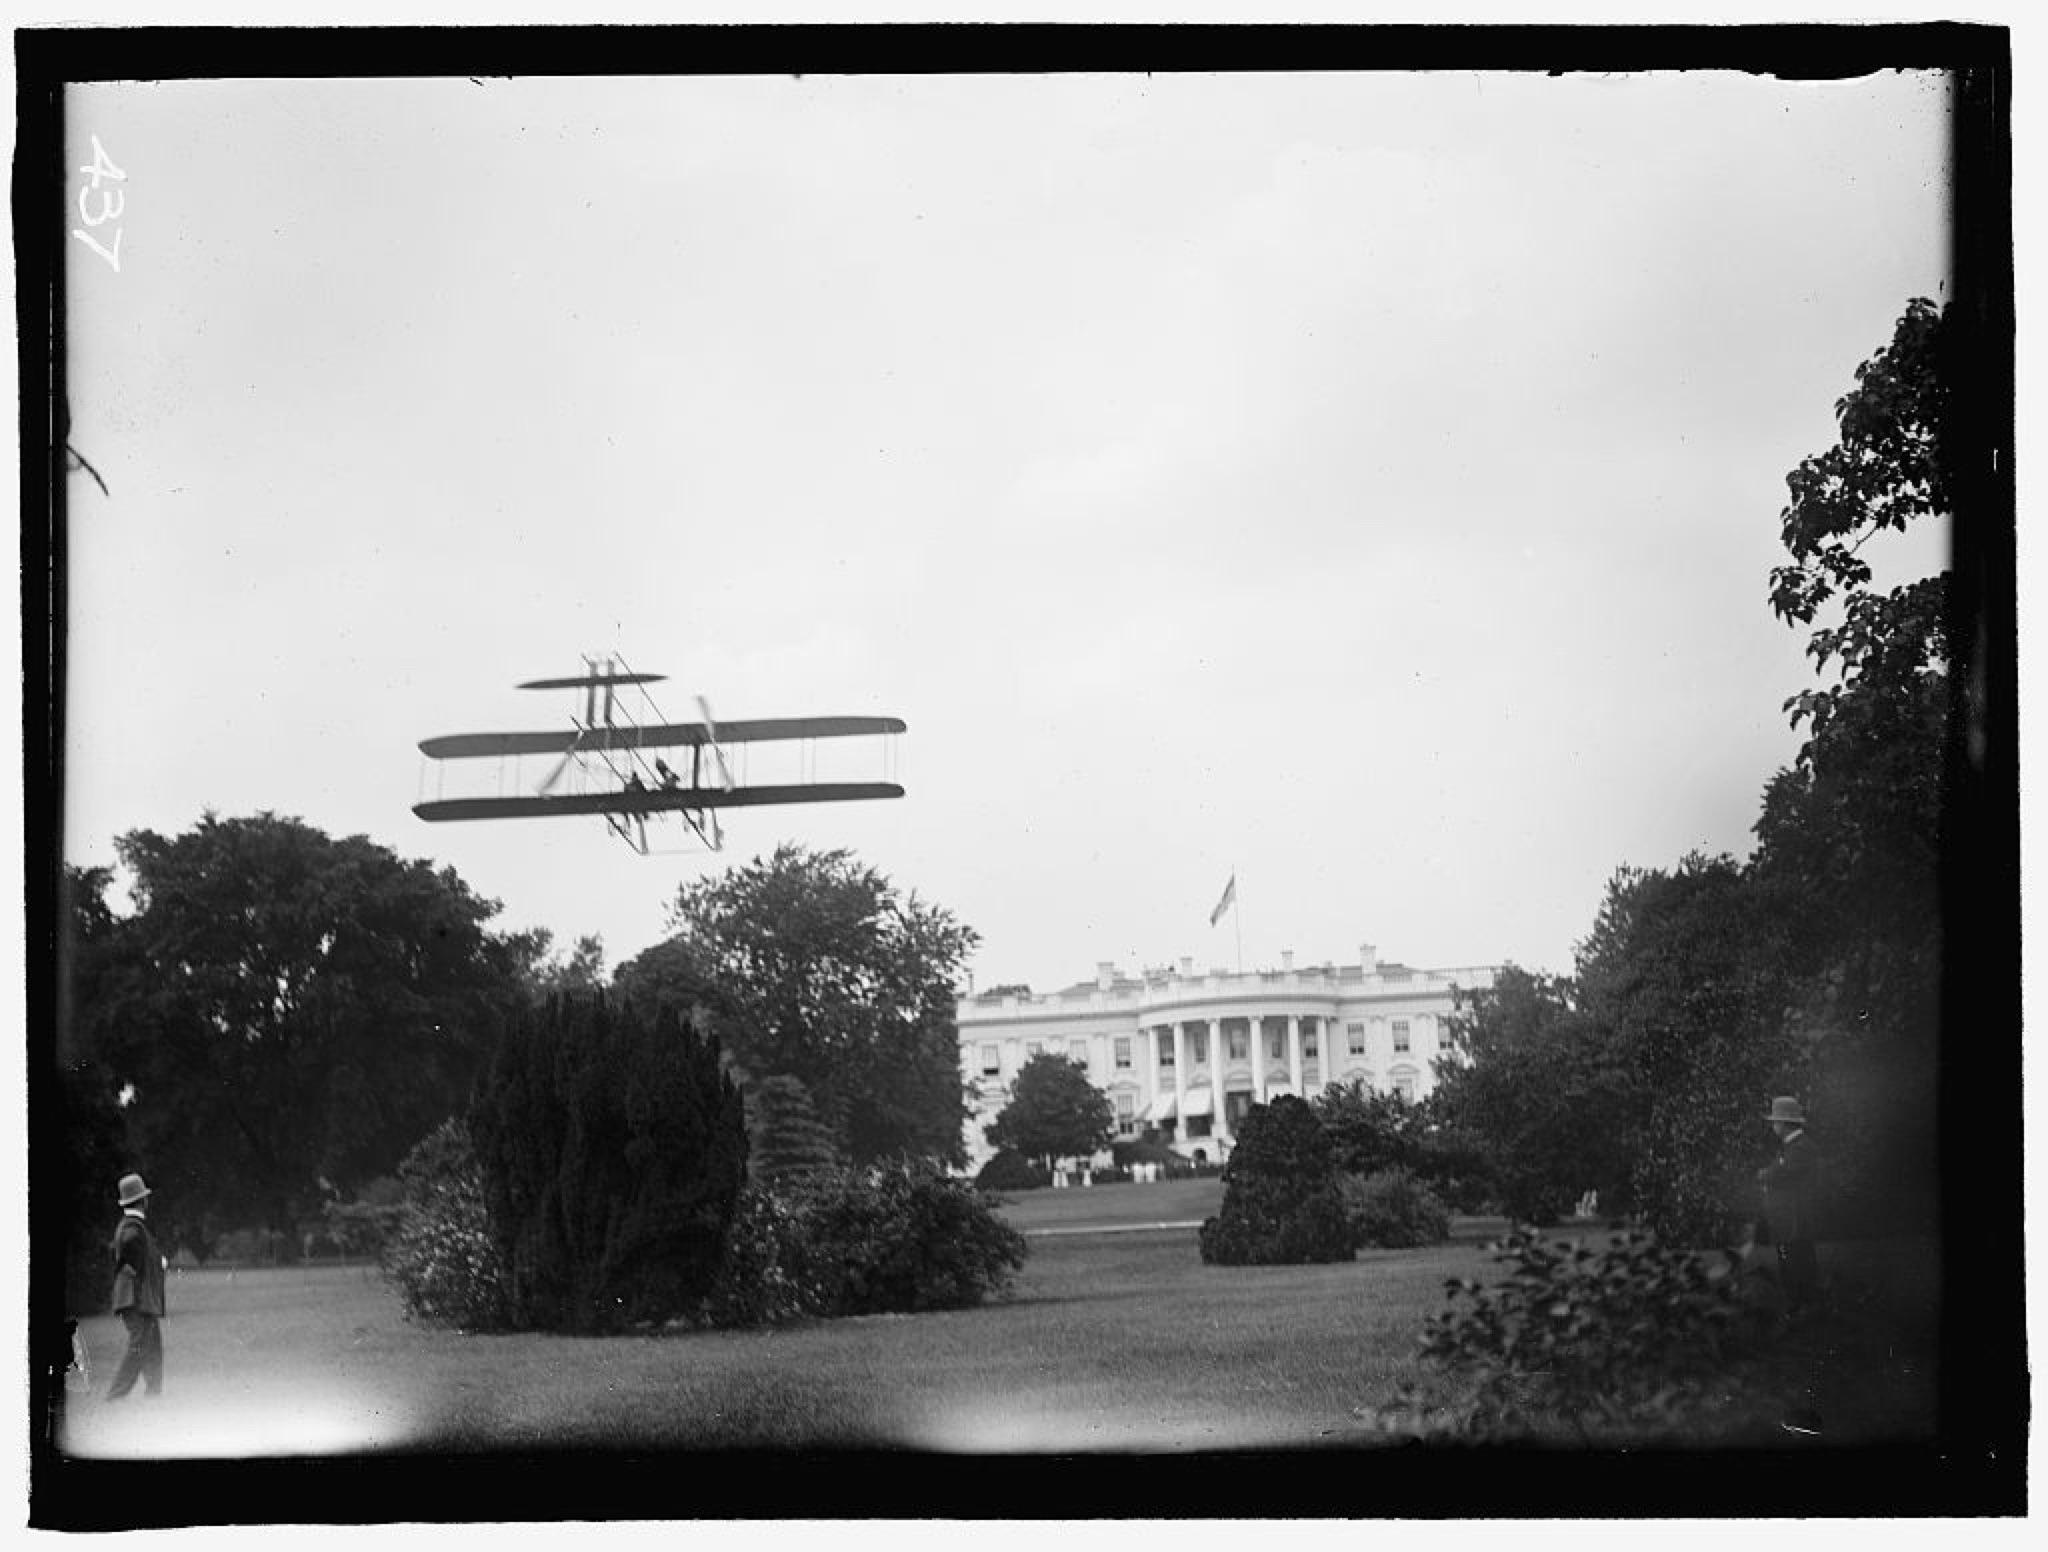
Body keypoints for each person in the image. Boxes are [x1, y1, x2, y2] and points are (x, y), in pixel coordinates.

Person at [106, 1172, 166, 1399]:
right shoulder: (133, 1227)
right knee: (140, 1345)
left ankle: (154, 1392)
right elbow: (130, 1247)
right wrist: (148, 1263)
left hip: (135, 1297)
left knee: (152, 1344)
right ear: (143, 1200)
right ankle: (115, 1394)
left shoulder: (131, 1225)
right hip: (135, 1298)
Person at [1758, 1096, 1820, 1315]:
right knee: (1790, 1258)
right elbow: (1782, 1171)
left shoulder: (1801, 1147)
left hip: (1794, 1217)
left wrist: (1766, 1174)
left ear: (1784, 1124)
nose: (1774, 1126)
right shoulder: (1790, 1147)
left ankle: (1802, 1303)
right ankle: (1799, 1302)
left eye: (1775, 1122)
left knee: (1796, 1259)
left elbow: (1783, 1174)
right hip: (1786, 1217)